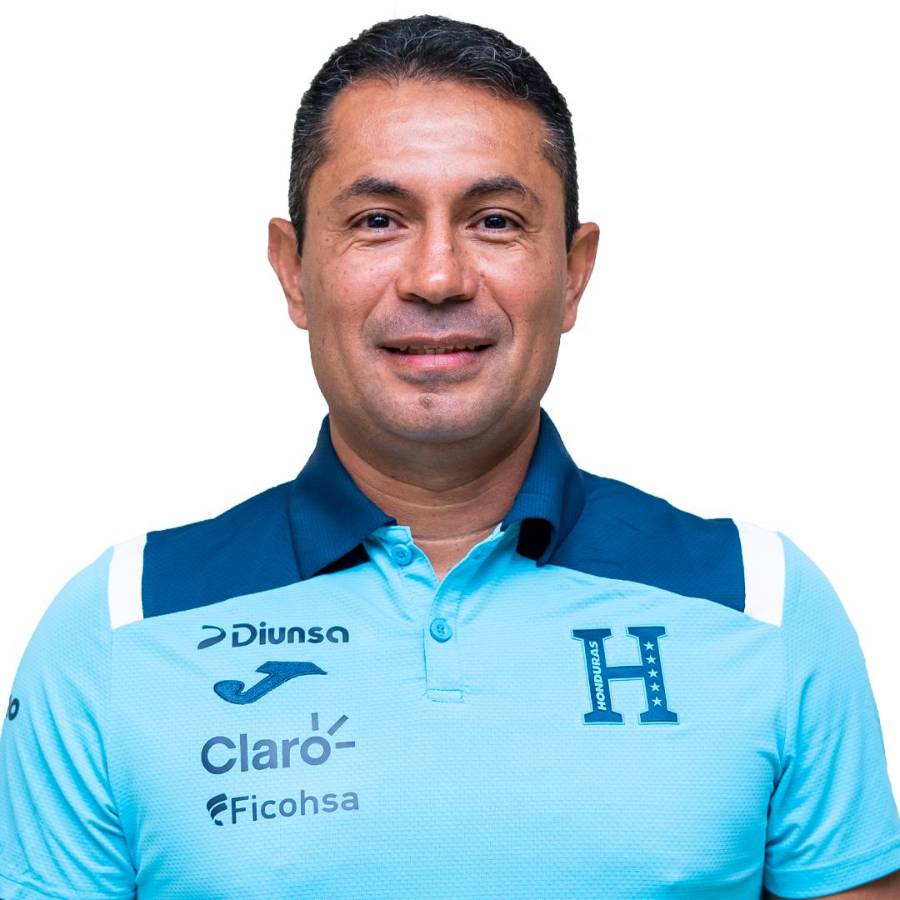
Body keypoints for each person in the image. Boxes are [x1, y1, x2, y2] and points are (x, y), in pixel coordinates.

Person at [1, 13, 898, 899]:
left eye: (496, 221)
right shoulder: (119, 625)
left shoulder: (759, 600)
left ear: (574, 272)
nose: (437, 278)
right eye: (379, 219)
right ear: (292, 269)